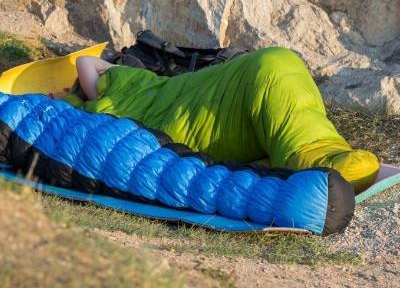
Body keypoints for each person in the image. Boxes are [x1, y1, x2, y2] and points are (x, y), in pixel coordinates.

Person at [62, 48, 380, 193]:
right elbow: (85, 61)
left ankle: (319, 154)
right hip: (201, 107)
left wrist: (93, 90)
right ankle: (318, 156)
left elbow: (84, 63)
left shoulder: (118, 98)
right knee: (280, 97)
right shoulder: (119, 88)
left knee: (281, 93)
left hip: (215, 90)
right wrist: (103, 78)